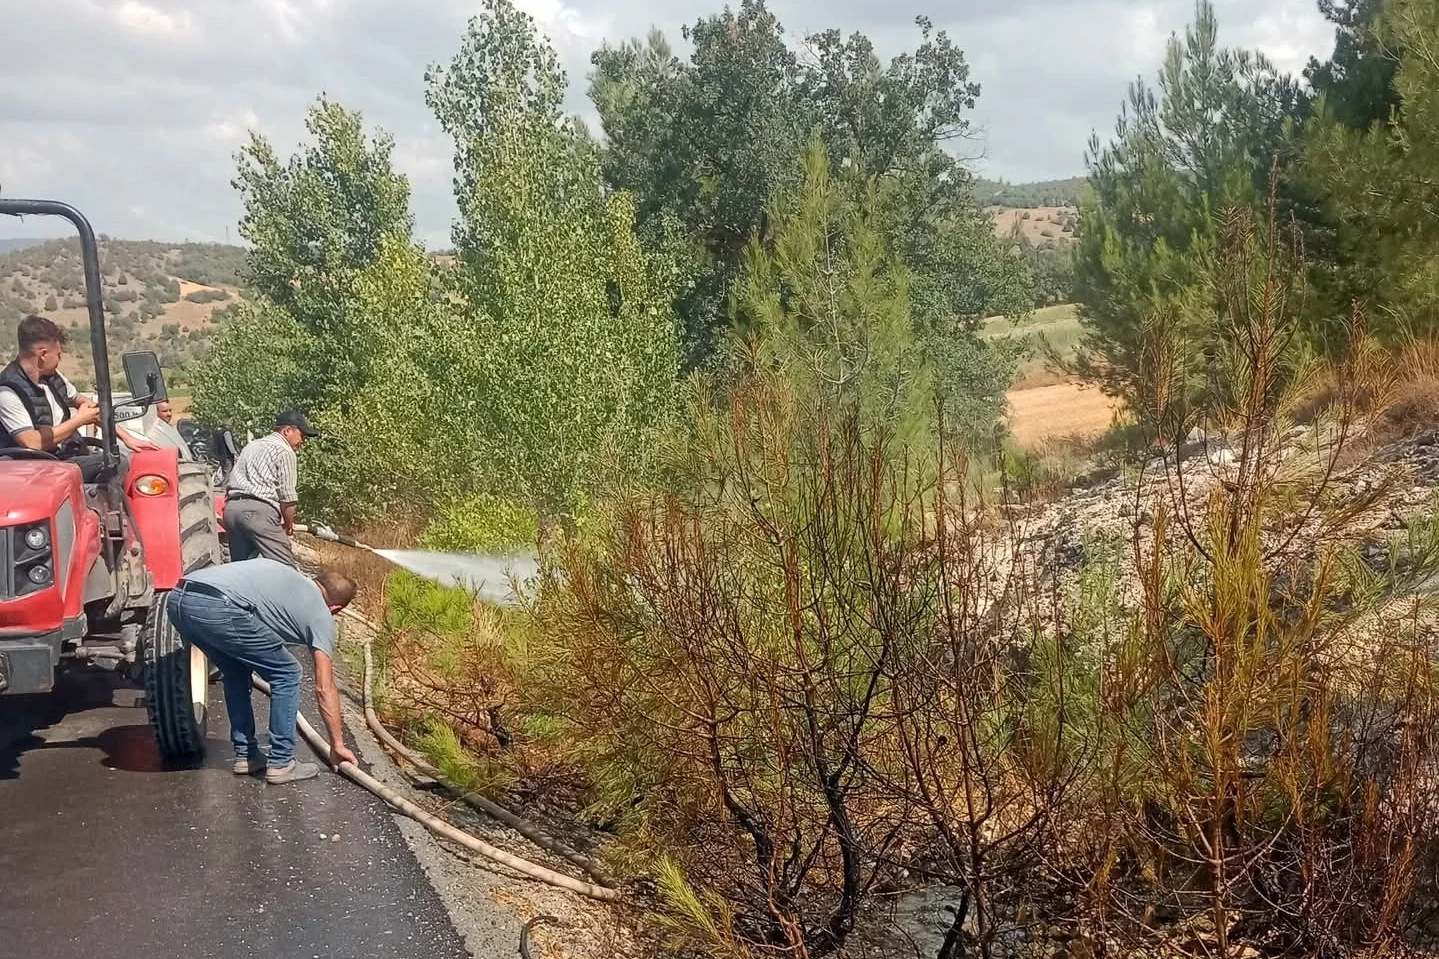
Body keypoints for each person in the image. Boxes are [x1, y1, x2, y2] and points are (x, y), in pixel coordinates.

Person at [166, 559, 360, 783]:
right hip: (219, 606)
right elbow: (324, 687)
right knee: (287, 672)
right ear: (336, 608)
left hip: (178, 599)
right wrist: (337, 745)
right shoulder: (321, 614)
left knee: (235, 669)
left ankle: (246, 755)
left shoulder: (285, 574)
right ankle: (281, 762)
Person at [0, 314, 157, 480]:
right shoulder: (7, 391)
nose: (60, 359)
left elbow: (90, 407)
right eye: (58, 354)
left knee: (117, 460)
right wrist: (80, 420)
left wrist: (127, 438)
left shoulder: (53, 377)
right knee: (114, 464)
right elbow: (32, 443)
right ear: (43, 355)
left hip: (67, 456)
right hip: (36, 470)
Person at [223, 409, 318, 566]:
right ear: (287, 431)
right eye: (302, 435)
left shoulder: (251, 446)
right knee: (284, 567)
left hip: (232, 511)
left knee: (242, 569)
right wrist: (288, 524)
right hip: (258, 513)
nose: (303, 441)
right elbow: (288, 496)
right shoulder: (284, 451)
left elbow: (232, 478)